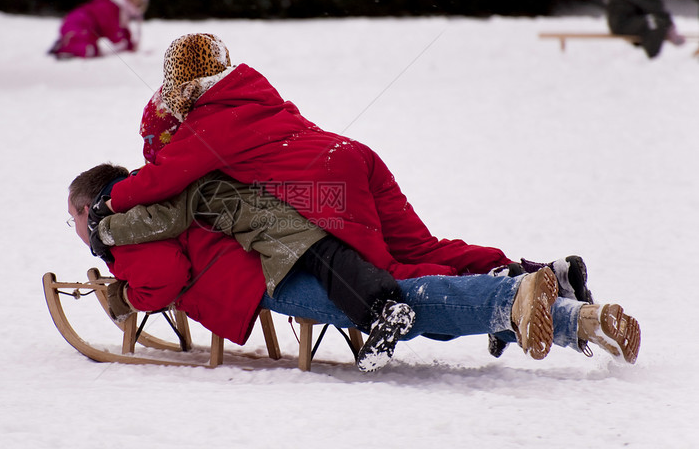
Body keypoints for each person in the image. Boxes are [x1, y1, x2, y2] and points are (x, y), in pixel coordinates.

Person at [67, 165, 642, 368]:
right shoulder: (155, 198)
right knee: (402, 281)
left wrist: (127, 294)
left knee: (401, 304)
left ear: (86, 209)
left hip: (266, 278)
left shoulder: (124, 225)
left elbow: (164, 277)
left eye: (71, 219)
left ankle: (514, 299)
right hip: (277, 252)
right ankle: (575, 320)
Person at [48, 0, 149, 59]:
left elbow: (123, 29)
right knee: (84, 48)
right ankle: (64, 49)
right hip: (78, 22)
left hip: (86, 29)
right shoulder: (110, 4)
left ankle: (65, 44)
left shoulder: (120, 9)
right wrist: (120, 41)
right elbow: (111, 27)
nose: (137, 4)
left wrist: (129, 45)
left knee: (93, 49)